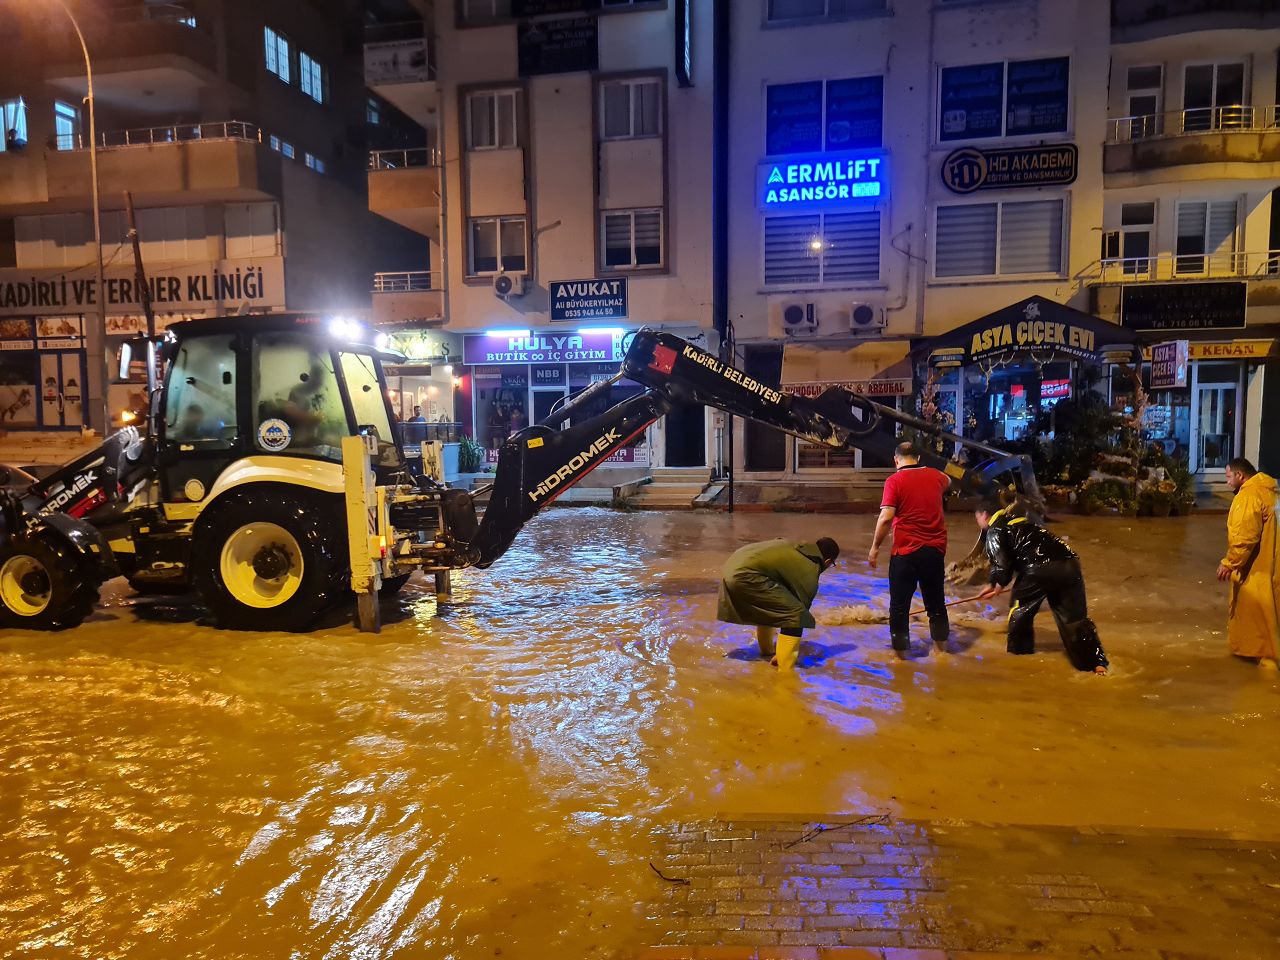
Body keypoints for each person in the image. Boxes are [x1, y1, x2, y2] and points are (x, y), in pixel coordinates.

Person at [973, 500, 1109, 675]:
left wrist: (995, 584)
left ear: (984, 515)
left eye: (977, 518)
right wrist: (997, 584)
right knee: (1075, 619)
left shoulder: (995, 529)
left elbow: (1001, 565)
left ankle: (1020, 662)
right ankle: (1097, 664)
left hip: (1038, 568)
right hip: (1070, 564)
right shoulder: (1023, 523)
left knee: (1020, 613)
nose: (978, 522)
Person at [868, 440, 952, 659]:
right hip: (934, 551)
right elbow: (949, 481)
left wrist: (875, 547)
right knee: (936, 604)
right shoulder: (937, 477)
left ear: (896, 460)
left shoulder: (894, 481)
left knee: (899, 607)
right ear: (919, 458)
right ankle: (941, 652)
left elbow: (886, 517)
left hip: (905, 553)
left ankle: (901, 657)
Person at [718, 537, 840, 669]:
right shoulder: (810, 568)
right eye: (832, 564)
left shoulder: (795, 545)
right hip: (746, 575)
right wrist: (785, 653)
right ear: (827, 561)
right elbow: (797, 615)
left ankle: (766, 652)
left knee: (771, 606)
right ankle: (785, 671)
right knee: (797, 615)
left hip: (732, 566)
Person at [1216, 458, 1279, 669]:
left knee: (1259, 617)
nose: (1226, 483)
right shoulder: (1271, 492)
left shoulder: (1248, 496)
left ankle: (1266, 671)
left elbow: (1244, 537)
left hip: (1258, 570)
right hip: (1274, 566)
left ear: (1240, 476)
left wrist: (1229, 563)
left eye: (1228, 477)